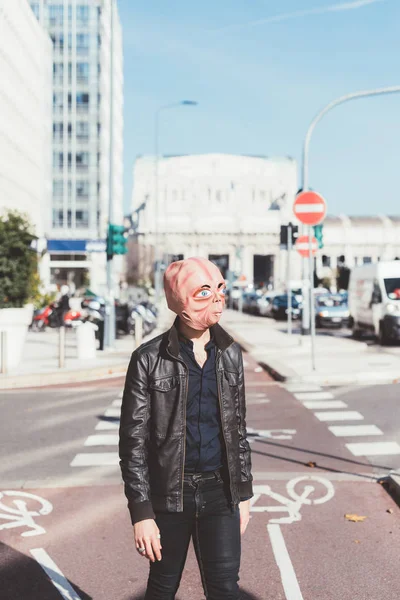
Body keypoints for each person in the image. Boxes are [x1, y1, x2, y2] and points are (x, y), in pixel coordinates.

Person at [119, 257, 253, 600]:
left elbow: (238, 429)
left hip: (220, 492)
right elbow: (132, 441)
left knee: (225, 590)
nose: (217, 301)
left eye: (220, 290)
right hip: (169, 496)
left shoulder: (230, 354)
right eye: (204, 293)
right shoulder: (148, 359)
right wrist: (141, 512)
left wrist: (244, 494)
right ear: (180, 303)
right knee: (162, 589)